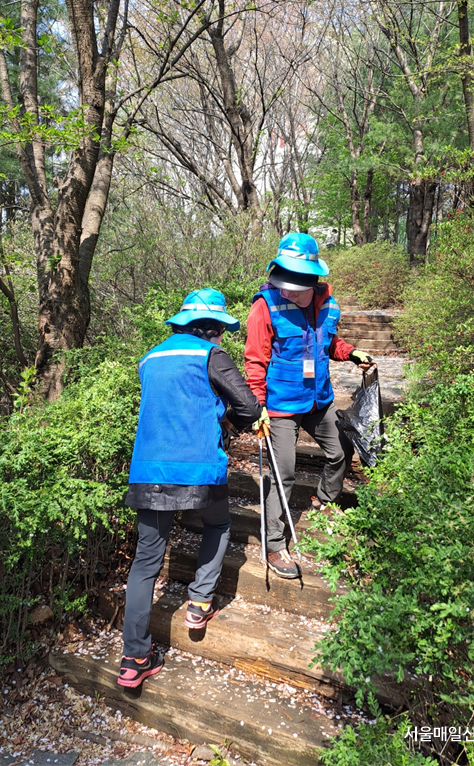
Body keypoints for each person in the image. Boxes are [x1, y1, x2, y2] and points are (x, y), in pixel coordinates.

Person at [117, 288, 263, 689]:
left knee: (145, 562)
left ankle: (133, 659)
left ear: (182, 323)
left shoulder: (150, 358)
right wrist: (229, 421)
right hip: (198, 468)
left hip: (149, 471)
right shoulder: (211, 355)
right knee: (218, 525)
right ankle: (199, 602)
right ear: (214, 328)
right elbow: (249, 407)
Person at [244, 233, 373, 579]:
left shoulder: (327, 303)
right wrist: (258, 407)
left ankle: (323, 501)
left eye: (294, 287)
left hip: (318, 400)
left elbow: (327, 342)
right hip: (281, 405)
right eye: (282, 283)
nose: (286, 291)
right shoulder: (265, 306)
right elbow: (255, 360)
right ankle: (274, 543)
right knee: (283, 473)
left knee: (340, 452)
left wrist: (350, 352)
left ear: (312, 280)